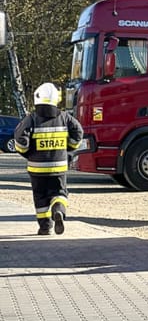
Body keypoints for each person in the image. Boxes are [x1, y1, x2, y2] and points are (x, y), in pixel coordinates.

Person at [14, 82, 83, 236]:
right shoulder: (65, 117)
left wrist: (26, 152)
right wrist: (69, 148)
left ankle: (45, 227)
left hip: (36, 168)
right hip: (58, 167)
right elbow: (78, 131)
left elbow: (20, 140)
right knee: (59, 192)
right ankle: (58, 209)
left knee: (40, 197)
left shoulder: (31, 119)